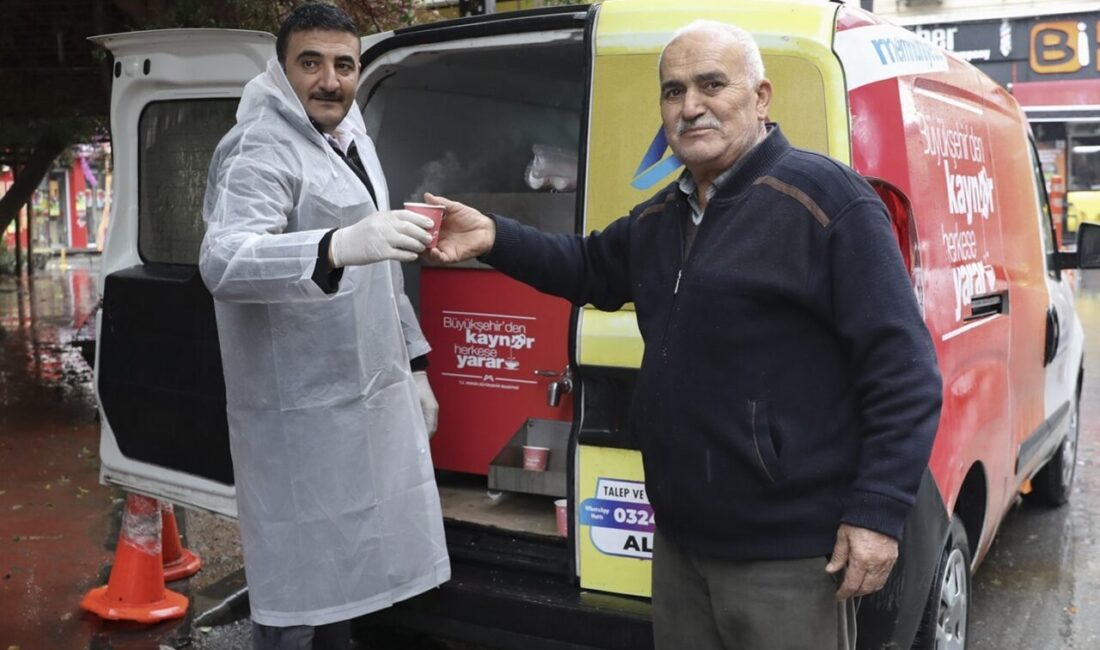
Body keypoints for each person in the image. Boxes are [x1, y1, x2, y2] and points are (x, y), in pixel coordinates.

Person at [426, 19, 942, 650]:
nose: (690, 105)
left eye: (711, 84)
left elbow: (903, 371)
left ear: (760, 97)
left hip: (787, 555)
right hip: (679, 543)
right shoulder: (663, 215)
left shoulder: (827, 200)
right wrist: (494, 237)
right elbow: (589, 266)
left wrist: (877, 514)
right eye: (674, 91)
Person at [199, 4, 449, 648]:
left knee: (348, 574)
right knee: (299, 591)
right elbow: (224, 261)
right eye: (310, 62)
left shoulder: (350, 136)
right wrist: (332, 246)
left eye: (344, 65)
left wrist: (416, 364)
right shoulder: (259, 146)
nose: (330, 80)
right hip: (298, 413)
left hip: (361, 394)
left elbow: (383, 269)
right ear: (281, 70)